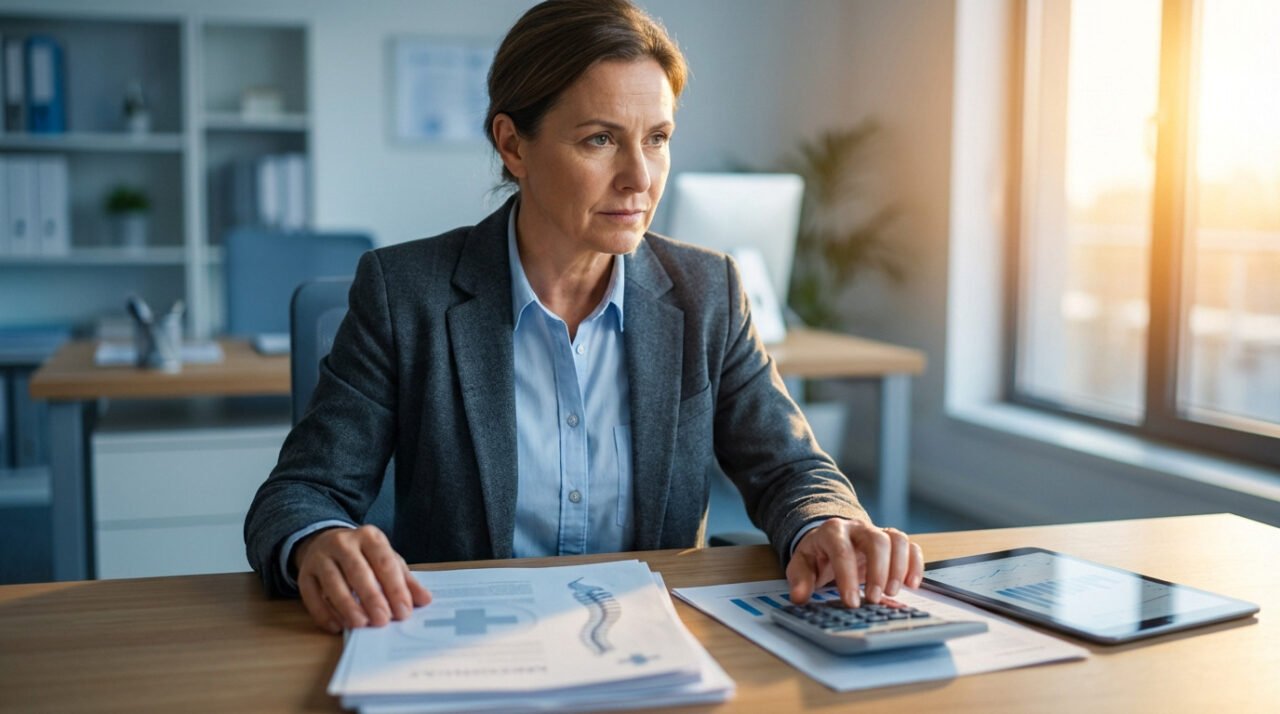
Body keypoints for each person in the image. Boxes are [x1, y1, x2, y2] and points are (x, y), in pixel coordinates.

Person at [244, 0, 925, 635]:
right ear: (513, 146)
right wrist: (320, 542)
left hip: (652, 643)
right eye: (601, 140)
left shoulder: (707, 291)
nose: (640, 178)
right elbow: (301, 493)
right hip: (469, 644)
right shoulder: (405, 293)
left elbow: (791, 470)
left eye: (656, 138)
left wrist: (825, 523)